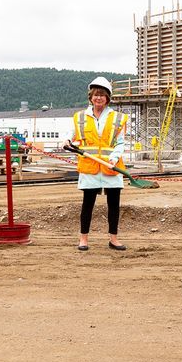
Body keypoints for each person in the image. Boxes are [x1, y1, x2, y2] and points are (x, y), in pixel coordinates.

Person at [62, 76, 129, 251]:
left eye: (102, 95)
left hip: (111, 167)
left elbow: (120, 143)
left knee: (114, 204)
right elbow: (71, 135)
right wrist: (67, 141)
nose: (98, 98)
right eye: (95, 94)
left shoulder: (117, 118)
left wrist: (114, 158)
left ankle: (113, 239)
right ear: (90, 97)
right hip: (90, 167)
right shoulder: (80, 117)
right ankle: (83, 239)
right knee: (87, 204)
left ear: (108, 98)